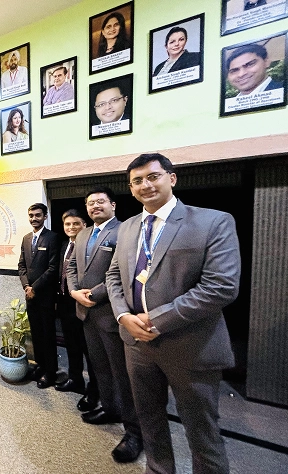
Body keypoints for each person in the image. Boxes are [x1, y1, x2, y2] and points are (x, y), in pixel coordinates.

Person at [106, 153, 241, 473]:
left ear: (172, 178)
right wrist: (123, 316)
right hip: (137, 345)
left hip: (190, 344)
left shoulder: (212, 221)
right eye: (137, 181)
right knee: (149, 419)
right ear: (131, 188)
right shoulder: (127, 227)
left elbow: (221, 287)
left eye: (153, 176)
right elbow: (113, 276)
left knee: (202, 431)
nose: (145, 185)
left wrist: (156, 320)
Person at [66, 188, 143, 464]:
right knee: (100, 368)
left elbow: (122, 272)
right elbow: (71, 267)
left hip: (111, 313)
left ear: (113, 204)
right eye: (90, 203)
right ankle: (110, 409)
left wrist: (93, 294)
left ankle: (134, 432)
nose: (95, 206)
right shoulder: (83, 234)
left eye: (100, 202)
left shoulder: (124, 231)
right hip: (86, 313)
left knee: (123, 374)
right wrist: (74, 291)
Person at [55, 210, 99, 412]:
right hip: (65, 303)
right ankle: (75, 379)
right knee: (71, 345)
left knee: (90, 350)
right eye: (67, 224)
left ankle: (94, 390)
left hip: (85, 303)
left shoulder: (90, 245)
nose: (71, 227)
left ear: (84, 225)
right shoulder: (64, 245)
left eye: (76, 224)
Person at [18, 203, 60, 388]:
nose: (34, 218)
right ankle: (40, 366)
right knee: (35, 333)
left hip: (45, 297)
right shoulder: (26, 238)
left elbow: (53, 268)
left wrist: (34, 288)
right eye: (31, 215)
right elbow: (21, 266)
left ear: (45, 216)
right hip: (30, 296)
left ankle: (50, 372)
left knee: (48, 334)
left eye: (37, 215)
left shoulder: (53, 238)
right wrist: (26, 286)